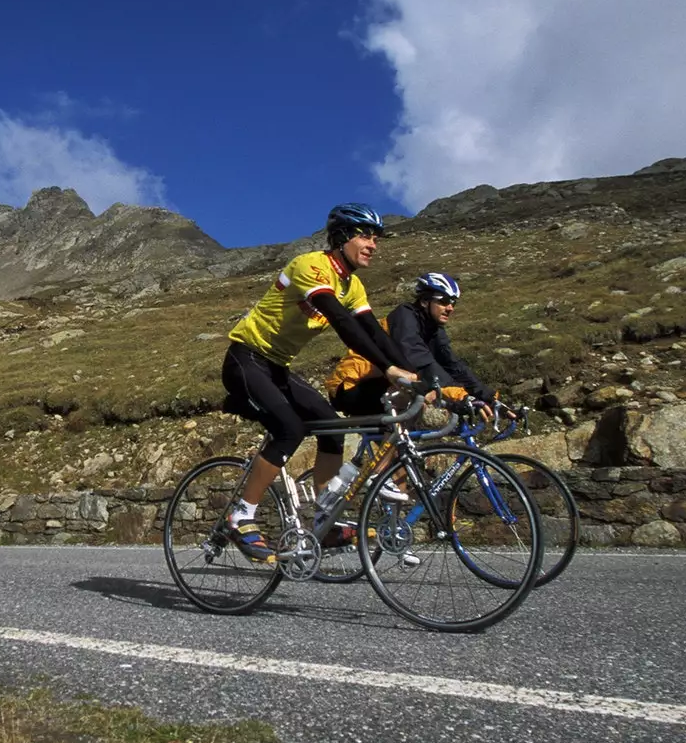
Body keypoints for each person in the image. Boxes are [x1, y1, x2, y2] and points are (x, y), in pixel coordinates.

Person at [219, 204, 420, 562]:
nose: (373, 245)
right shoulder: (311, 265)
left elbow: (374, 331)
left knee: (333, 429)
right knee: (289, 428)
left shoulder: (352, 285)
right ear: (342, 237)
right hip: (246, 359)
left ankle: (323, 522)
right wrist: (386, 369)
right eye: (365, 236)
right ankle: (242, 515)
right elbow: (342, 321)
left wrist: (412, 373)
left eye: (376, 238)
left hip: (278, 366)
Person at [327, 271, 515, 423]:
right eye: (443, 301)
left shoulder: (433, 329)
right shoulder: (404, 316)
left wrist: (492, 399)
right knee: (420, 404)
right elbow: (416, 359)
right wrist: (460, 396)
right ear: (425, 301)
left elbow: (454, 365)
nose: (450, 308)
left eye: (453, 302)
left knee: (414, 425)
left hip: (383, 384)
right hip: (351, 387)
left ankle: (398, 469)